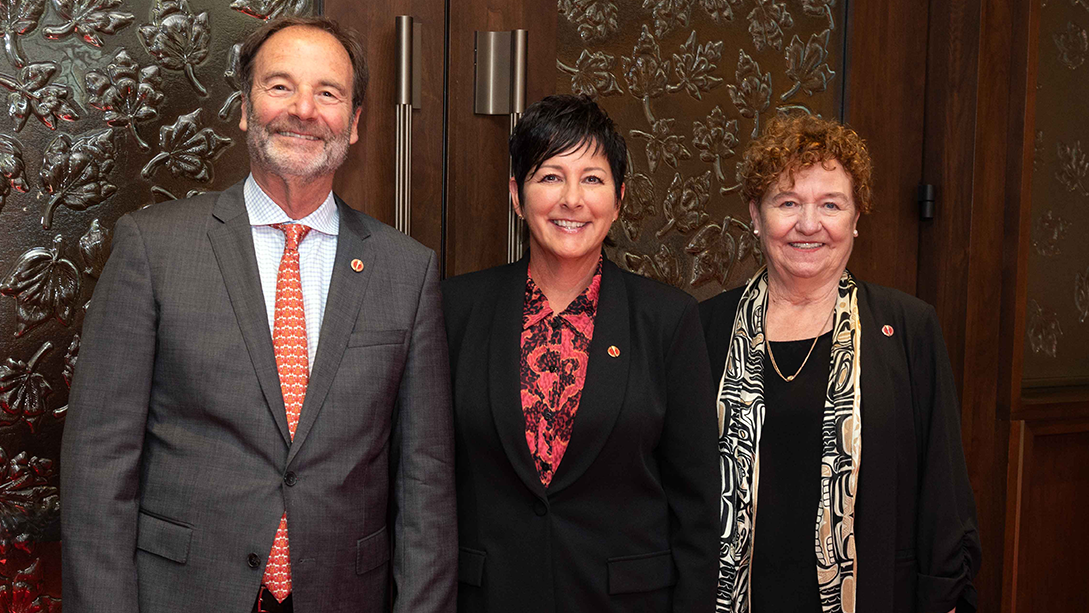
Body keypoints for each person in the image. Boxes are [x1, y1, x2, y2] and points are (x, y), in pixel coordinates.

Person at [60, 16, 456, 613]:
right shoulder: (154, 247)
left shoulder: (407, 271)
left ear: (355, 123)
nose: (304, 109)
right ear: (245, 108)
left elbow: (424, 483)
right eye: (280, 86)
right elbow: (99, 464)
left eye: (328, 92)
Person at [442, 94, 719, 612]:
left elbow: (697, 505)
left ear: (618, 200)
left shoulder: (668, 320)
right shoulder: (454, 310)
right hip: (488, 596)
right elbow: (426, 479)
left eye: (592, 178)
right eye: (550, 176)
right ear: (517, 196)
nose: (572, 199)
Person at [701, 113, 981, 613]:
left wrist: (946, 595)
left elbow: (944, 488)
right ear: (755, 215)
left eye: (830, 204)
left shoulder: (907, 327)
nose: (808, 224)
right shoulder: (705, 329)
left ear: (856, 218)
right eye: (787, 203)